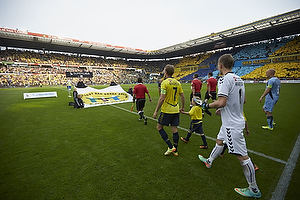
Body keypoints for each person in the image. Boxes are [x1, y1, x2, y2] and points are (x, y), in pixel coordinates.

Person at [199, 54, 261, 198]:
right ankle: (209, 161)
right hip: (232, 121)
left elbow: (221, 102)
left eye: (218, 65)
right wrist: (224, 109)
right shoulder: (239, 78)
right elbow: (242, 100)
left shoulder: (224, 79)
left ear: (220, 65)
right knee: (219, 141)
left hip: (232, 125)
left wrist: (207, 105)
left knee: (243, 157)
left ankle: (254, 189)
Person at [153, 64, 185, 156]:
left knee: (159, 127)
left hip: (167, 110)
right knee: (174, 129)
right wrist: (182, 107)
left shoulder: (164, 82)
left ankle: (170, 147)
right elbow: (182, 96)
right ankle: (176, 149)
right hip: (176, 109)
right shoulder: (178, 83)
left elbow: (162, 98)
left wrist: (156, 111)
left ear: (166, 72)